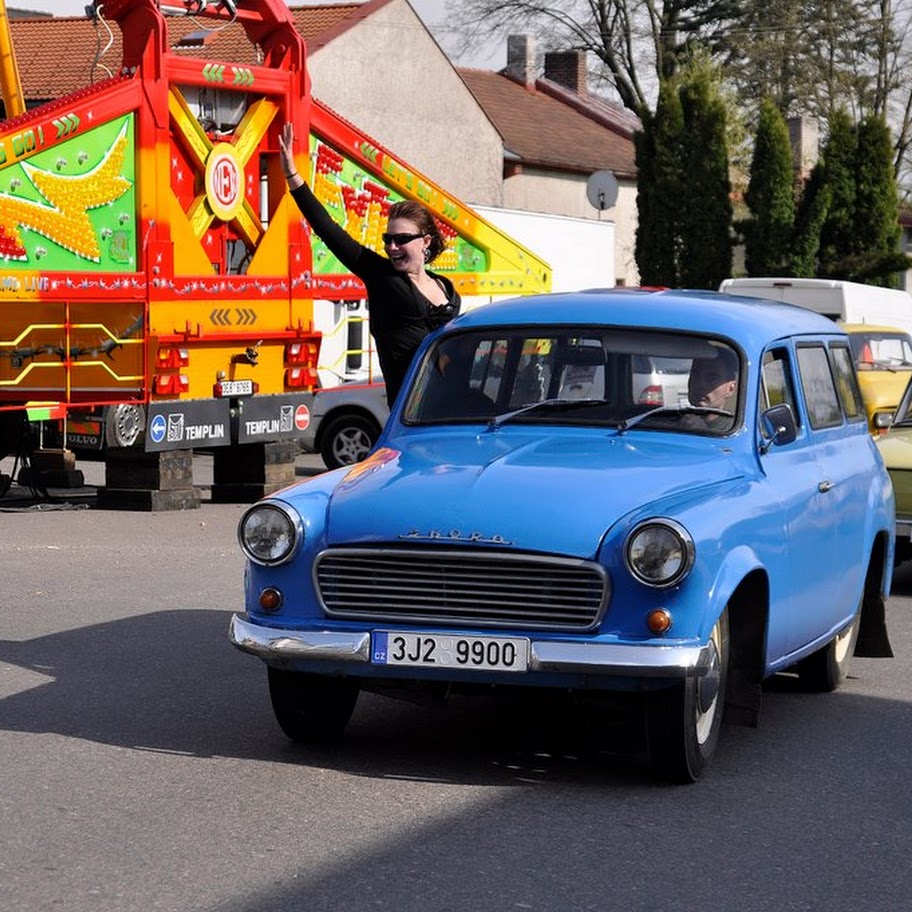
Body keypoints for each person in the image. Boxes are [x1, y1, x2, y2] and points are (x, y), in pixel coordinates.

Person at [278, 123, 460, 403]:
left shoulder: (446, 289)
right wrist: (292, 175)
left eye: (401, 239)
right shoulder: (384, 279)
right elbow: (329, 230)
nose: (391, 247)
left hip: (457, 408)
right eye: (388, 239)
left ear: (425, 241)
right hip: (411, 415)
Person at [685, 348, 739, 429]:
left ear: (730, 388)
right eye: (695, 375)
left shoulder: (734, 429)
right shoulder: (670, 421)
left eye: (712, 378)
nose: (701, 384)